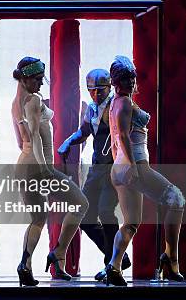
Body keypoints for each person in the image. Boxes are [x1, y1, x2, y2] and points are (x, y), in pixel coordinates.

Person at [105, 56, 185, 286]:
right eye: (124, 78)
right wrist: (131, 166)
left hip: (120, 167)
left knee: (131, 222)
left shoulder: (115, 103)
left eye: (131, 77)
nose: (130, 82)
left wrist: (119, 167)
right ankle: (170, 260)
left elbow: (114, 142)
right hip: (134, 165)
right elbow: (121, 136)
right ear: (115, 81)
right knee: (176, 200)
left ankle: (114, 266)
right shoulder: (125, 103)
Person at [11, 56, 88, 286]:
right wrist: (45, 168)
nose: (41, 84)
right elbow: (34, 136)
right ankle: (59, 252)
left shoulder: (16, 103)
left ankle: (25, 265)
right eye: (36, 79)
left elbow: (22, 140)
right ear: (24, 78)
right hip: (38, 167)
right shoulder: (33, 100)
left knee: (38, 218)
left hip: (24, 166)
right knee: (81, 204)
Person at [57, 69, 131, 281]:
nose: (96, 95)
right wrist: (68, 141)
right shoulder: (91, 108)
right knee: (85, 216)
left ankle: (112, 264)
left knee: (107, 212)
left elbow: (126, 134)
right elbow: (84, 131)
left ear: (109, 87)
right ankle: (117, 259)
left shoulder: (117, 105)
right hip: (97, 167)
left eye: (100, 90)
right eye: (92, 91)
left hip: (113, 166)